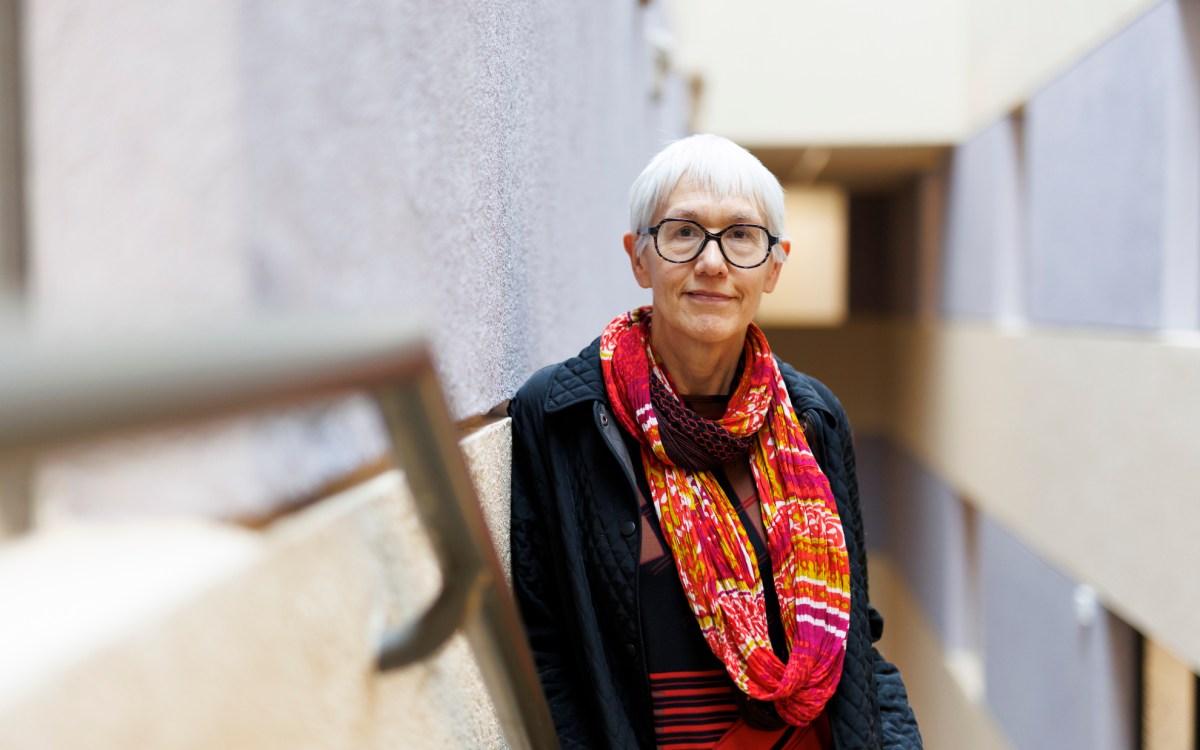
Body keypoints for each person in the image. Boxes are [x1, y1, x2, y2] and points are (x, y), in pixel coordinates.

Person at [509, 134, 922, 749]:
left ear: (775, 266)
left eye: (741, 236)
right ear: (638, 257)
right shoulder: (565, 415)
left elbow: (852, 635)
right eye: (683, 232)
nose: (713, 262)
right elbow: (544, 652)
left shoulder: (813, 419)